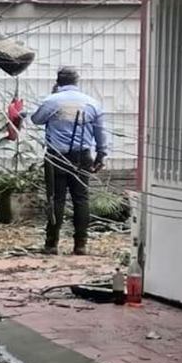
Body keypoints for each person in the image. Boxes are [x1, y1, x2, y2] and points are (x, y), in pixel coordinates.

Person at [30, 66, 110, 256]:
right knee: (81, 199)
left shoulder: (52, 101)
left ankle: (51, 244)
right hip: (82, 156)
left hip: (56, 157)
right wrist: (101, 154)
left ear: (58, 81)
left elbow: (36, 120)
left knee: (56, 199)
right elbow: (100, 132)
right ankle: (80, 244)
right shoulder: (92, 103)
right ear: (76, 81)